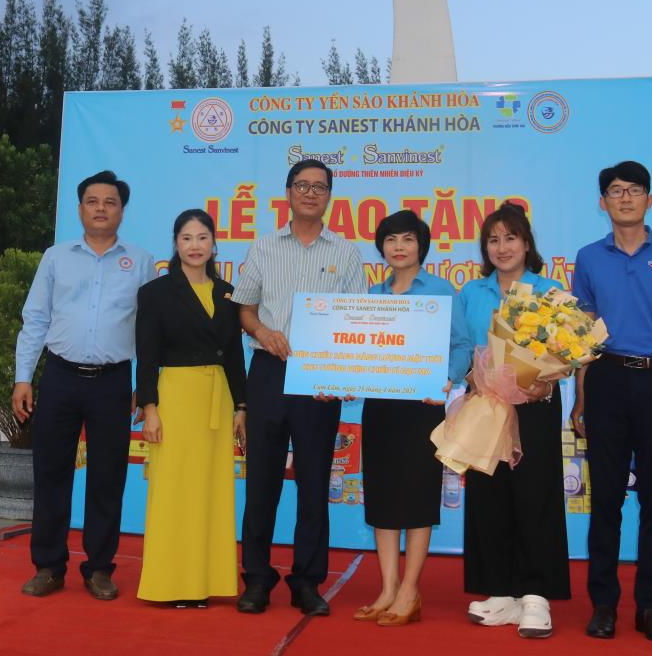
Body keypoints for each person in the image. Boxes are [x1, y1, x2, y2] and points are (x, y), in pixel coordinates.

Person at [569, 160, 652, 644]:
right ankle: (604, 605)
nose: (624, 197)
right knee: (605, 499)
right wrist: (580, 396)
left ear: (649, 199)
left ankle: (651, 607)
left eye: (634, 189)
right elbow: (584, 332)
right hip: (606, 380)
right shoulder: (589, 257)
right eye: (615, 190)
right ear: (602, 202)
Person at [11, 170, 155, 601]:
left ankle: (99, 569)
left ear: (122, 211)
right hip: (59, 377)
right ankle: (48, 566)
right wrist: (23, 377)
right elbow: (35, 319)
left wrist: (146, 387)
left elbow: (150, 330)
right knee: (51, 473)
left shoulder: (141, 261)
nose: (101, 209)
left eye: (110, 202)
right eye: (93, 201)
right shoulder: (56, 258)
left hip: (113, 383)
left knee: (108, 478)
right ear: (80, 209)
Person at [233, 158, 366, 617]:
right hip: (269, 373)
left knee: (313, 484)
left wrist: (343, 375)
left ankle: (307, 581)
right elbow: (244, 308)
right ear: (288, 192)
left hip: (319, 380)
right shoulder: (264, 247)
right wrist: (262, 331)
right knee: (261, 483)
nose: (310, 193)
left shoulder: (347, 253)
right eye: (302, 185)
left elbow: (355, 321)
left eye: (319, 187)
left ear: (329, 196)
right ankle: (256, 579)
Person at [450, 202, 570, 639]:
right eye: (494, 240)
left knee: (535, 496)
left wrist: (544, 381)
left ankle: (536, 596)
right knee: (489, 495)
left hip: (534, 404)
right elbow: (461, 348)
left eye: (511, 238)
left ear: (527, 243)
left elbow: (567, 351)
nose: (502, 247)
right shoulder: (471, 293)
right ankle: (500, 590)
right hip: (486, 404)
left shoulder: (549, 290)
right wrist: (468, 377)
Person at [135, 208, 248, 607]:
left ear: (214, 244)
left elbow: (234, 354)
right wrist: (150, 407)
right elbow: (146, 356)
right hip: (175, 399)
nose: (195, 245)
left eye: (202, 238)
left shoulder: (228, 293)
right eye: (186, 238)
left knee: (211, 493)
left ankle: (207, 582)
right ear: (175, 244)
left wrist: (242, 405)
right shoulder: (155, 293)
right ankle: (170, 584)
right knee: (173, 492)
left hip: (217, 400)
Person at [352, 210, 455, 627]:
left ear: (421, 246)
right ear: (381, 247)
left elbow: (461, 345)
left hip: (423, 409)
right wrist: (344, 376)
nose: (399, 247)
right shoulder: (371, 296)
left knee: (416, 496)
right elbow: (357, 352)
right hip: (381, 407)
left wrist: (448, 378)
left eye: (408, 239)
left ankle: (410, 590)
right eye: (391, 239)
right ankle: (388, 588)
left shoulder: (441, 291)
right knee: (382, 496)